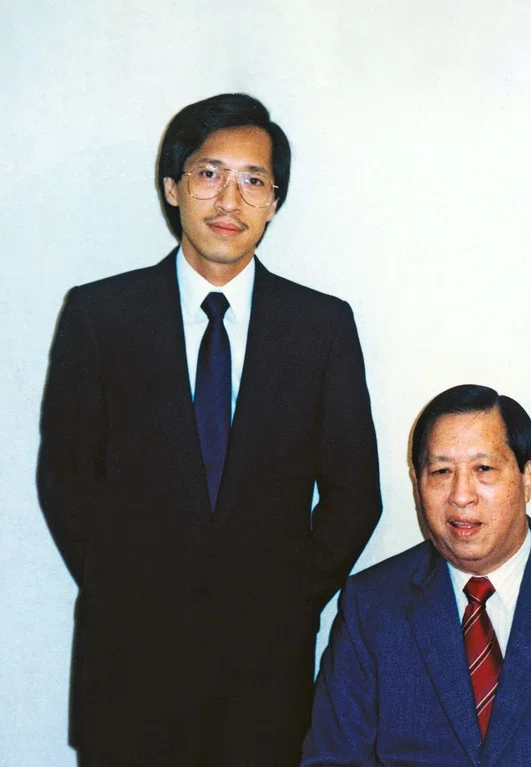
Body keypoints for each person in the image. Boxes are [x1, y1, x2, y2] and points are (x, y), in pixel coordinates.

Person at [37, 93, 382, 767]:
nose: (231, 198)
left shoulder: (320, 328)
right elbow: (66, 481)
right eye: (209, 173)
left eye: (254, 180)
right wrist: (126, 588)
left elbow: (354, 493)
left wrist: (284, 598)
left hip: (265, 678)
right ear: (173, 186)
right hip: (127, 671)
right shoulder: (100, 317)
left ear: (275, 201)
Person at [301, 384, 531, 766]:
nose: (461, 495)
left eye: (483, 469)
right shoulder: (371, 605)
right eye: (441, 471)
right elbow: (332, 759)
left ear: (526, 478)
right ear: (418, 485)